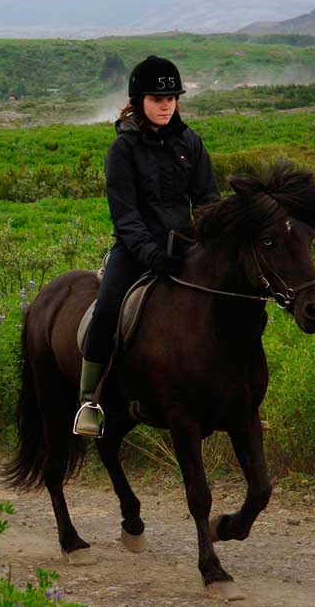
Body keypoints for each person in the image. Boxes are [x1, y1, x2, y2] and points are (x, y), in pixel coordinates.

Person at [74, 56, 220, 437]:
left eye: (171, 97)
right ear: (138, 100)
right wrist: (153, 255)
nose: (166, 104)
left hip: (185, 248)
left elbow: (208, 200)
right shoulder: (122, 149)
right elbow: (126, 217)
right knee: (106, 309)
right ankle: (91, 399)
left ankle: (229, 393)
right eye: (157, 98)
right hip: (136, 250)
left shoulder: (191, 142)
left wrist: (206, 242)